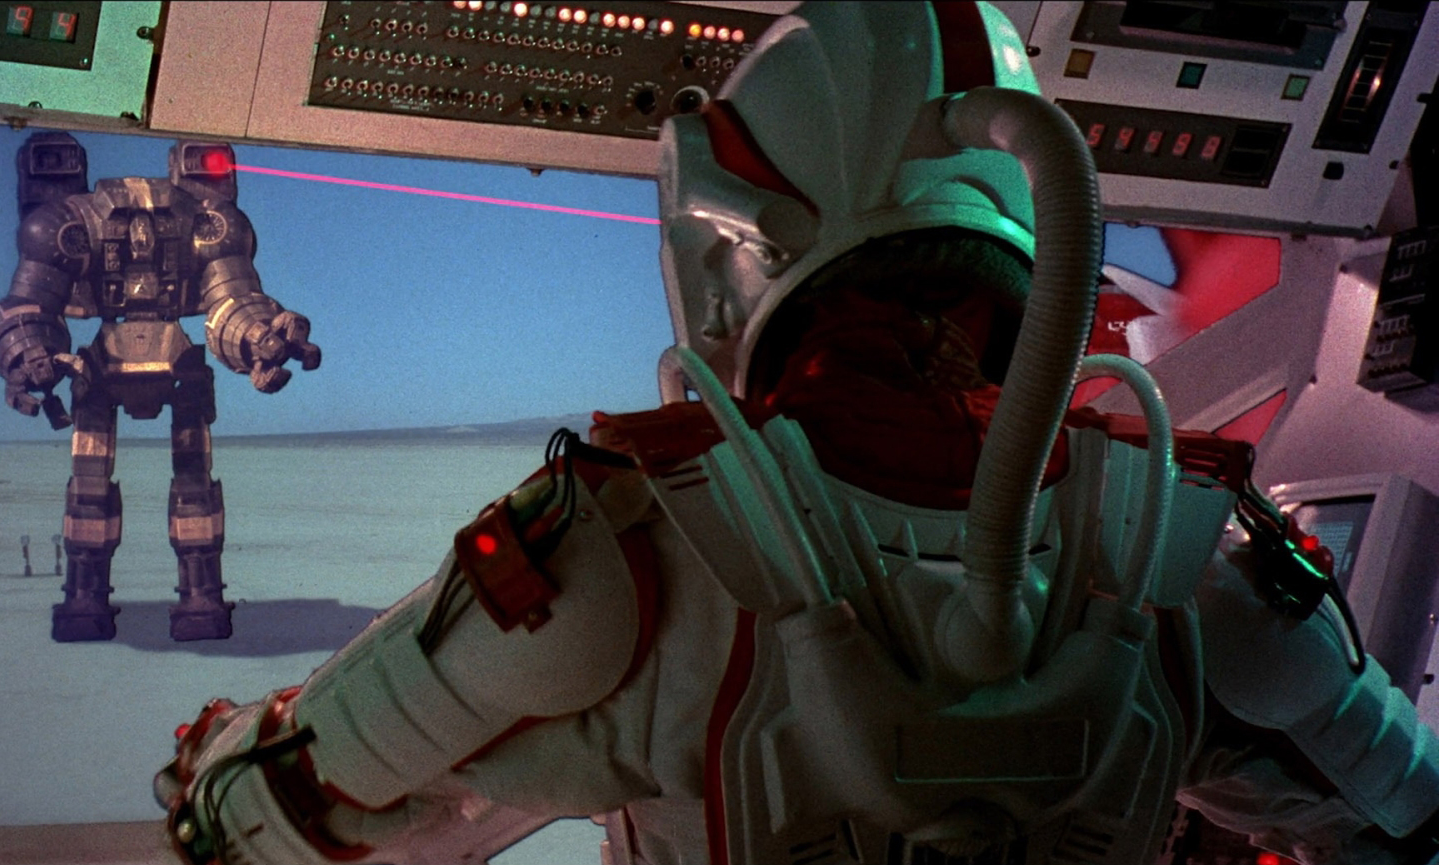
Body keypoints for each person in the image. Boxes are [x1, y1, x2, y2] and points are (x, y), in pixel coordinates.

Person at [153, 3, 1439, 863]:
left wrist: (212, 760)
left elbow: (270, 817)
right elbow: (1400, 815)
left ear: (732, 246)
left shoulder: (619, 555)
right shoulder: (1187, 556)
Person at [0, 134, 320, 641]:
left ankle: (194, 599)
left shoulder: (205, 225)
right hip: (113, 366)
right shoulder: (75, 227)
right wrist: (28, 353)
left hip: (165, 364)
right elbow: (29, 306)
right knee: (91, 488)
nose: (139, 240)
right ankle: (89, 598)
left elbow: (233, 301)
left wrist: (259, 338)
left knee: (192, 486)